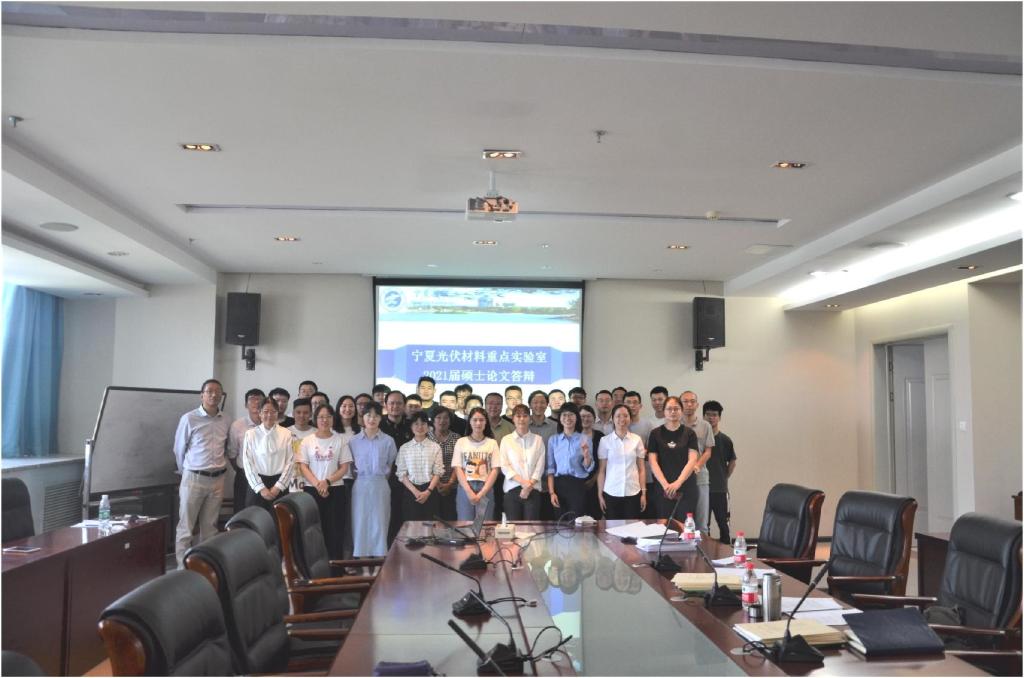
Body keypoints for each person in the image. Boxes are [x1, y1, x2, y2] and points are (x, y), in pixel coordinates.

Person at [173, 378, 230, 567]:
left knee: (210, 529)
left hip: (217, 479)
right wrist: (187, 472)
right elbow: (179, 449)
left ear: (221, 395)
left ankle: (205, 568)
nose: (214, 395)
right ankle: (182, 569)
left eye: (217, 391)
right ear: (202, 395)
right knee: (186, 527)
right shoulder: (189, 418)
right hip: (193, 478)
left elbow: (226, 447)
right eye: (209, 391)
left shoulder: (226, 419)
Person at [297, 404, 352, 559]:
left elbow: (344, 467)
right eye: (321, 417)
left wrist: (327, 482)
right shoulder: (307, 441)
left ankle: (335, 567)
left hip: (335, 489)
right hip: (312, 490)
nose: (325, 420)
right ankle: (314, 567)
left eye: (328, 416)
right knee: (313, 530)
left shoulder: (340, 440)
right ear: (315, 419)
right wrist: (318, 484)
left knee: (335, 530)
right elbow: (303, 466)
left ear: (333, 419)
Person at [349, 402, 398, 558]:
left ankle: (379, 560)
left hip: (380, 484)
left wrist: (379, 478)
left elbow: (390, 465)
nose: (372, 419)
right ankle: (362, 559)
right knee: (360, 521)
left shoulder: (388, 441)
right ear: (362, 417)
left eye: (376, 416)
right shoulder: (353, 441)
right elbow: (351, 467)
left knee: (380, 521)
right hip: (360, 484)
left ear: (380, 418)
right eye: (368, 415)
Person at [647, 396, 702, 520]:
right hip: (663, 487)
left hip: (686, 486)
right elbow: (652, 461)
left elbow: (692, 460)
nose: (673, 412)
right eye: (669, 409)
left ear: (681, 411)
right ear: (664, 412)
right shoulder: (655, 433)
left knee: (685, 526)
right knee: (663, 525)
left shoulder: (690, 433)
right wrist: (665, 485)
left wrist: (678, 483)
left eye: (676, 409)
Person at [242, 397, 295, 512]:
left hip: (280, 484)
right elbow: (247, 463)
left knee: (280, 520)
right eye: (265, 411)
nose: (269, 415)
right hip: (257, 485)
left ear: (277, 413)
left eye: (273, 412)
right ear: (260, 413)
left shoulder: (287, 434)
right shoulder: (250, 434)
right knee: (256, 519)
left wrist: (278, 486)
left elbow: (291, 462)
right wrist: (261, 488)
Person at [597, 404, 646, 519]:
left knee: (632, 527)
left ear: (630, 418)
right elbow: (602, 471)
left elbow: (641, 469)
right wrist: (600, 494)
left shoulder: (637, 439)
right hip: (611, 492)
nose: (622, 419)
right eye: (618, 416)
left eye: (625, 415)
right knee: (613, 528)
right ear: (613, 418)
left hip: (633, 492)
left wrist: (643, 493)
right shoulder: (605, 441)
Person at [546, 402, 594, 520]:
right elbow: (550, 468)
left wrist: (586, 456)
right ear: (560, 418)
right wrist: (552, 492)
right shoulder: (553, 440)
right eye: (564, 415)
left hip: (577, 485)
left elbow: (588, 467)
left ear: (577, 418)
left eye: (571, 415)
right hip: (559, 485)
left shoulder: (585, 439)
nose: (568, 418)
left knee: (577, 522)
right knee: (560, 523)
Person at [452, 407, 500, 521]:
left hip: (485, 487)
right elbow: (458, 468)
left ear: (486, 422)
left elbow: (495, 469)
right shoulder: (461, 442)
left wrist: (482, 492)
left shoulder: (492, 443)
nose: (478, 423)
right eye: (475, 420)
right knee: (465, 524)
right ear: (470, 422)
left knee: (484, 525)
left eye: (481, 420)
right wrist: (468, 491)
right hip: (465, 487)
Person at [499, 404, 545, 520]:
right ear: (513, 419)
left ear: (530, 418)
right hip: (512, 489)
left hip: (533, 489)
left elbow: (540, 466)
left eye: (525, 416)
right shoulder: (506, 440)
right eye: (518, 416)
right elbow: (504, 466)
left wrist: (529, 486)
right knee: (513, 527)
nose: (521, 419)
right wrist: (523, 483)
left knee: (531, 527)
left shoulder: (538, 440)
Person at [395, 411, 443, 521]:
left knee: (431, 527)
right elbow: (401, 474)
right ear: (411, 427)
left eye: (423, 423)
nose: (420, 427)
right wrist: (415, 491)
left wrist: (428, 491)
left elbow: (438, 472)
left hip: (430, 491)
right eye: (416, 424)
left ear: (428, 426)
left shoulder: (435, 447)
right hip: (411, 491)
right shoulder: (404, 448)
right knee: (411, 526)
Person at [680, 391, 716, 533]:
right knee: (681, 521)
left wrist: (696, 466)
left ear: (697, 405)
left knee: (701, 521)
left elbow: (708, 451)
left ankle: (703, 547)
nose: (689, 404)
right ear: (680, 404)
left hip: (700, 477)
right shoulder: (674, 424)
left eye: (692, 401)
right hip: (679, 478)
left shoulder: (705, 426)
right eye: (685, 401)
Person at [703, 400, 737, 542]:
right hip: (703, 488)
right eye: (708, 414)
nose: (711, 418)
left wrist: (724, 477)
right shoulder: (698, 438)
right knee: (704, 524)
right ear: (703, 416)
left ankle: (727, 549)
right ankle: (705, 550)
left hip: (719, 489)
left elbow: (732, 461)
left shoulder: (725, 440)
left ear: (719, 417)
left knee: (723, 523)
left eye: (714, 415)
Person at [380, 390, 411, 544]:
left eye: (399, 403)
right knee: (387, 516)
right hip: (386, 479)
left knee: (405, 516)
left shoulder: (411, 425)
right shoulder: (378, 425)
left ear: (404, 405)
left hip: (409, 480)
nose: (395, 406)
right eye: (391, 403)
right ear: (386, 405)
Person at [227, 387, 263, 515]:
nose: (256, 402)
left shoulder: (270, 424)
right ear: (246, 404)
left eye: (259, 399)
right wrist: (242, 469)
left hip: (265, 475)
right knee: (241, 510)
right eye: (252, 399)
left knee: (262, 512)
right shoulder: (237, 425)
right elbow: (232, 453)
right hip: (244, 475)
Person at [333, 395, 361, 557]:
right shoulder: (331, 430)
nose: (347, 409)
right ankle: (338, 556)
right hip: (335, 481)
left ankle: (349, 556)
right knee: (338, 520)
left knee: (351, 520)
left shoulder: (360, 431)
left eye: (351, 406)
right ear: (338, 408)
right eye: (344, 406)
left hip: (353, 481)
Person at [624, 390, 656, 517]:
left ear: (640, 406)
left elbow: (652, 451)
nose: (632, 405)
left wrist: (642, 452)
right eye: (628, 402)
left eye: (635, 402)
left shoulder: (648, 425)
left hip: (646, 477)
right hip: (626, 479)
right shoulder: (617, 424)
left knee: (646, 515)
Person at [527, 389, 558, 518]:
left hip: (550, 480)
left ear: (547, 405)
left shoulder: (556, 426)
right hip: (528, 481)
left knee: (549, 520)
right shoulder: (523, 425)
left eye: (542, 402)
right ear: (529, 405)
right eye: (535, 402)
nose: (538, 405)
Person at [429, 407, 461, 520]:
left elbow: (459, 463)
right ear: (433, 420)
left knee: (451, 520)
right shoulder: (426, 437)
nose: (442, 421)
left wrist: (450, 484)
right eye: (438, 417)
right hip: (431, 488)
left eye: (446, 418)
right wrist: (437, 484)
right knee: (432, 522)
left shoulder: (457, 438)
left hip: (452, 487)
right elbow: (425, 464)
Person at [578, 404, 605, 518]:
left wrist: (594, 479)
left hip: (596, 482)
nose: (585, 419)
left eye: (588, 416)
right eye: (582, 416)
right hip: (577, 484)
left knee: (596, 517)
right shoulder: (573, 436)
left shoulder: (600, 436)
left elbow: (603, 462)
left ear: (594, 418)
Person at [287, 397, 315, 491]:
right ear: (293, 413)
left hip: (312, 482)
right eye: (298, 412)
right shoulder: (285, 433)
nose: (302, 415)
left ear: (311, 414)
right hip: (290, 482)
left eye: (306, 412)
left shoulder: (317, 433)